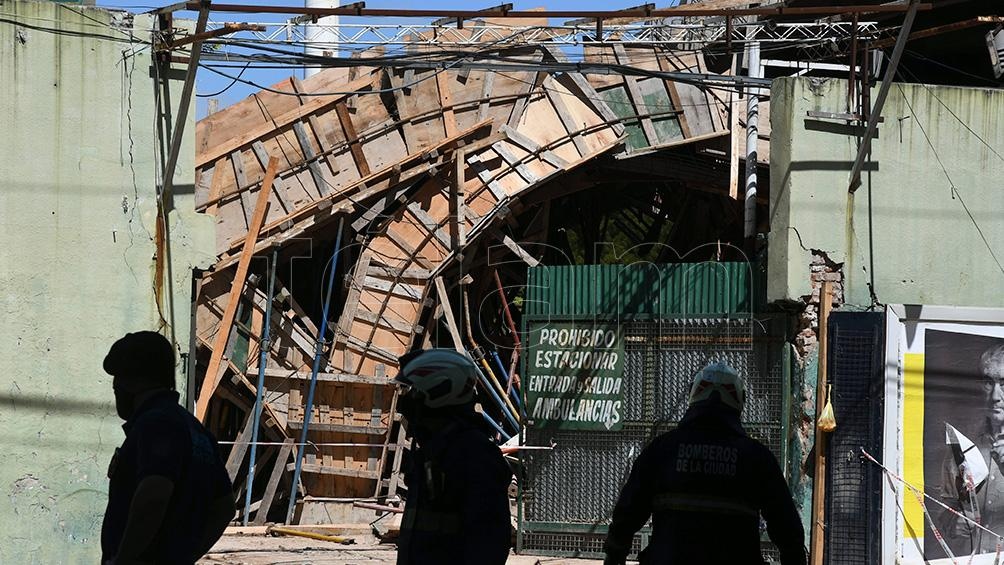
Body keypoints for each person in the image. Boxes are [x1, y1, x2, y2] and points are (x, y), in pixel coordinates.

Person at [604, 362, 806, 565]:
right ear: (740, 400)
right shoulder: (757, 458)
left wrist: (614, 556)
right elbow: (787, 528)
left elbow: (627, 513)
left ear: (693, 395)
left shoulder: (662, 450)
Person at [101, 331, 234, 565]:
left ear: (133, 381)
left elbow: (154, 494)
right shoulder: (196, 431)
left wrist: (123, 560)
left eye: (119, 378)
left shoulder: (155, 424)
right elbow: (224, 509)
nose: (115, 386)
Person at [394, 348, 512, 565]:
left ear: (439, 392)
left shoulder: (474, 456)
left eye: (415, 391)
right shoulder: (434, 453)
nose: (409, 401)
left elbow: (489, 544)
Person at [938, 343, 1004, 555]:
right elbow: (943, 508)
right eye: (988, 383)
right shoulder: (963, 444)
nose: (995, 396)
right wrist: (953, 521)